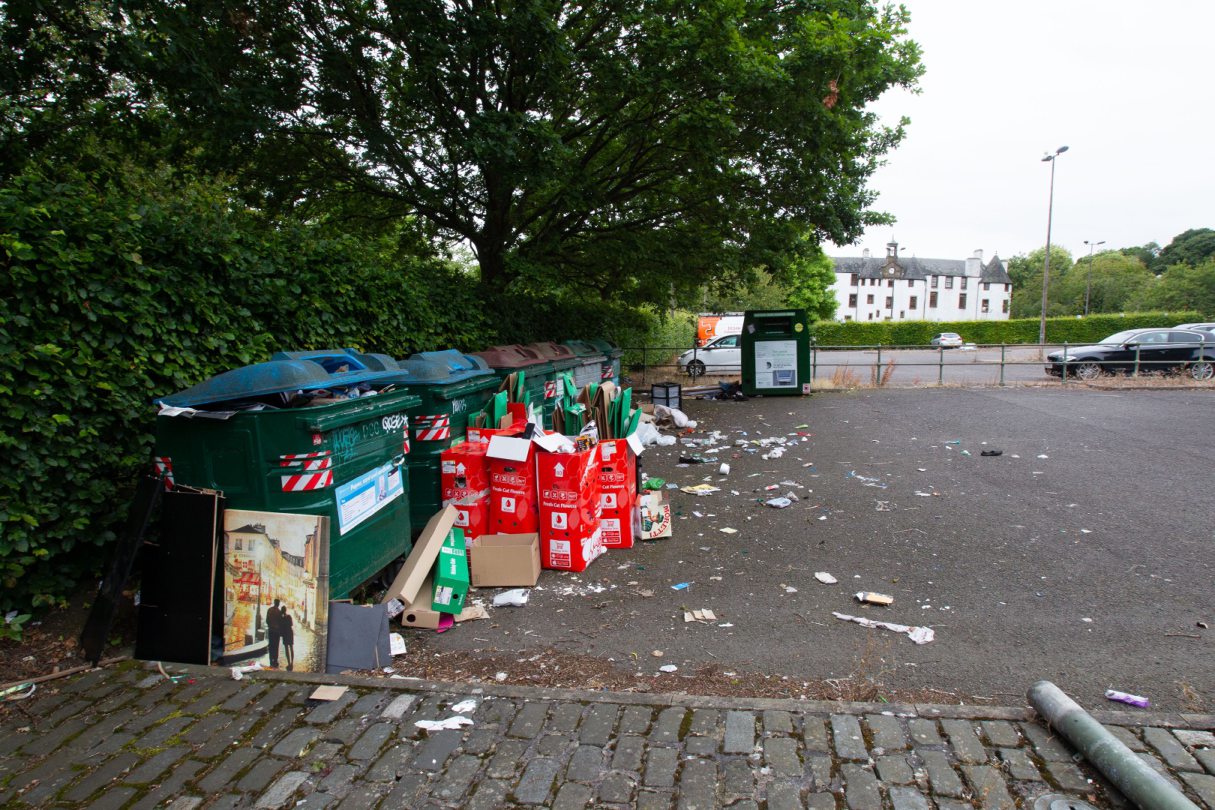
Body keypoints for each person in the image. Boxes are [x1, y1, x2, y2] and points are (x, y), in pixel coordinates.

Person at [266, 598, 283, 668]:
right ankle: (275, 660)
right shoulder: (279, 612)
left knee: (271, 645)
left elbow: (267, 620)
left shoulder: (269, 610)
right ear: (278, 604)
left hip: (271, 630)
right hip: (277, 631)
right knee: (276, 645)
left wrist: (270, 625)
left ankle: (270, 660)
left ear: (274, 602)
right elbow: (281, 622)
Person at [281, 607, 295, 671]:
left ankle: (289, 662)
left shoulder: (282, 618)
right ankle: (291, 662)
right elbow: (291, 624)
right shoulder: (289, 616)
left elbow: (281, 626)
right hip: (289, 632)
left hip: (285, 633)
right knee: (291, 647)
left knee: (287, 648)